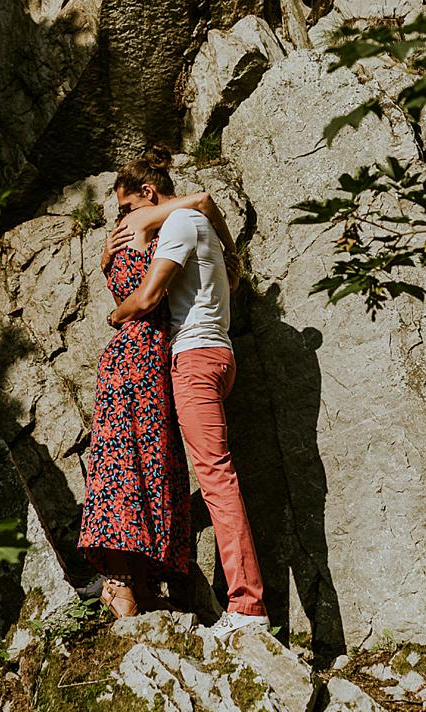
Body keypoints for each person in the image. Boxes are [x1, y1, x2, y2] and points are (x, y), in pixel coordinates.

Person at [107, 144, 267, 637]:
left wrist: (117, 314)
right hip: (216, 357)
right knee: (211, 476)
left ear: (150, 194)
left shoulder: (177, 225)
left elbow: (150, 296)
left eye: (127, 209)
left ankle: (247, 606)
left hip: (194, 360)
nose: (126, 222)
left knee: (217, 480)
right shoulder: (198, 228)